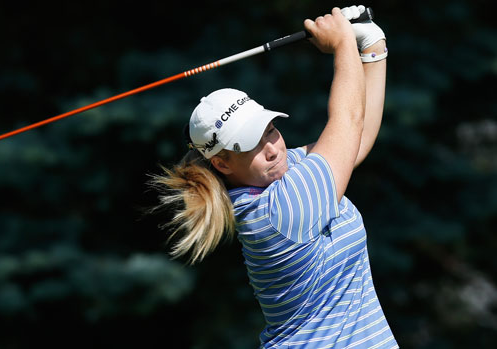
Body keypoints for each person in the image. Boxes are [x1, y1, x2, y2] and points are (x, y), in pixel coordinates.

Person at [150, 5, 396, 348]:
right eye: (253, 143)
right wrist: (342, 45)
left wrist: (371, 46)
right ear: (222, 164)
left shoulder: (279, 175)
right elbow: (348, 121)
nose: (272, 148)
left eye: (270, 129)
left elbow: (355, 141)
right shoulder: (278, 213)